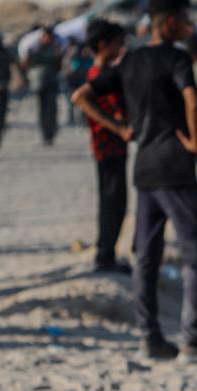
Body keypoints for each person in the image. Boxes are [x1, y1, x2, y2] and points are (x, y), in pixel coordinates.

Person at [73, 0, 197, 362]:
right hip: (175, 168)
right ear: (167, 23)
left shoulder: (130, 61)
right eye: (183, 19)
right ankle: (192, 340)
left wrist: (121, 128)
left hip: (144, 169)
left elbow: (82, 96)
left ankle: (150, 338)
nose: (188, 25)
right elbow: (192, 99)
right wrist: (196, 142)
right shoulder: (177, 58)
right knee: (196, 254)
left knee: (146, 258)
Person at [83, 19, 131, 274]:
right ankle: (105, 257)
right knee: (113, 203)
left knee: (113, 202)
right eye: (117, 42)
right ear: (103, 45)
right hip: (108, 148)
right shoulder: (99, 77)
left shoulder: (103, 73)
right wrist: (120, 128)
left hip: (111, 148)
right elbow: (97, 108)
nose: (122, 46)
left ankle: (107, 253)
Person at [23, 27, 63, 145]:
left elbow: (59, 67)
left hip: (52, 84)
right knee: (42, 111)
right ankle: (45, 135)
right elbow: (25, 64)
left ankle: (51, 133)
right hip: (39, 85)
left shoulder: (55, 49)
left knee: (52, 110)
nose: (48, 39)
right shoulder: (34, 49)